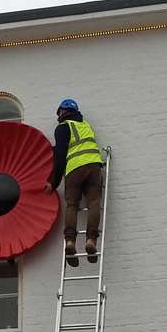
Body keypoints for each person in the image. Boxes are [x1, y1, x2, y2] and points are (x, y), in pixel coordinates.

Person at [44, 99, 105, 267]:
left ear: (62, 112)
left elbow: (61, 155)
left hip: (74, 169)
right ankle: (91, 240)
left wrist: (53, 182)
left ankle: (70, 242)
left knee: (72, 205)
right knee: (94, 202)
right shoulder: (86, 125)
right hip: (93, 166)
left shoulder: (63, 127)